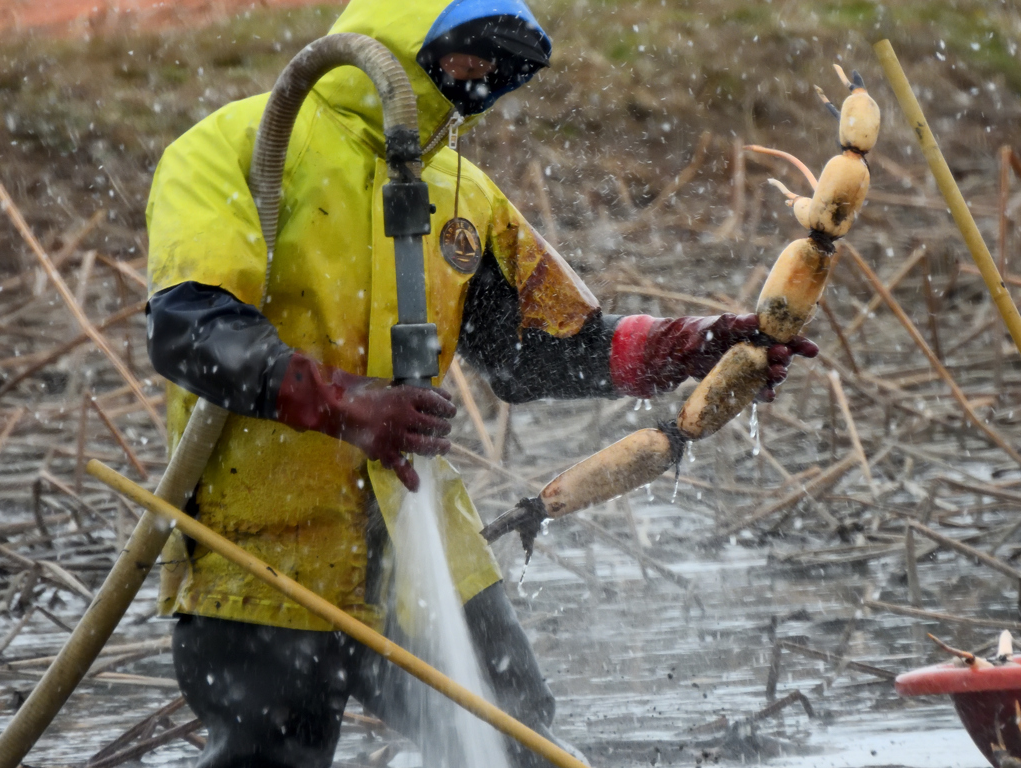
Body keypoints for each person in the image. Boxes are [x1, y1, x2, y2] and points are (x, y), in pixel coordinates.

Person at [144, 0, 818, 766]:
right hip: (259, 550)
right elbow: (191, 329)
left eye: (502, 69)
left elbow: (535, 350)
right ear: (408, 39)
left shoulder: (463, 194)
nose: (485, 81)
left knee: (518, 740)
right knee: (269, 757)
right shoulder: (235, 146)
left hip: (417, 536)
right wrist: (348, 405)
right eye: (470, 58)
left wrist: (694, 347)